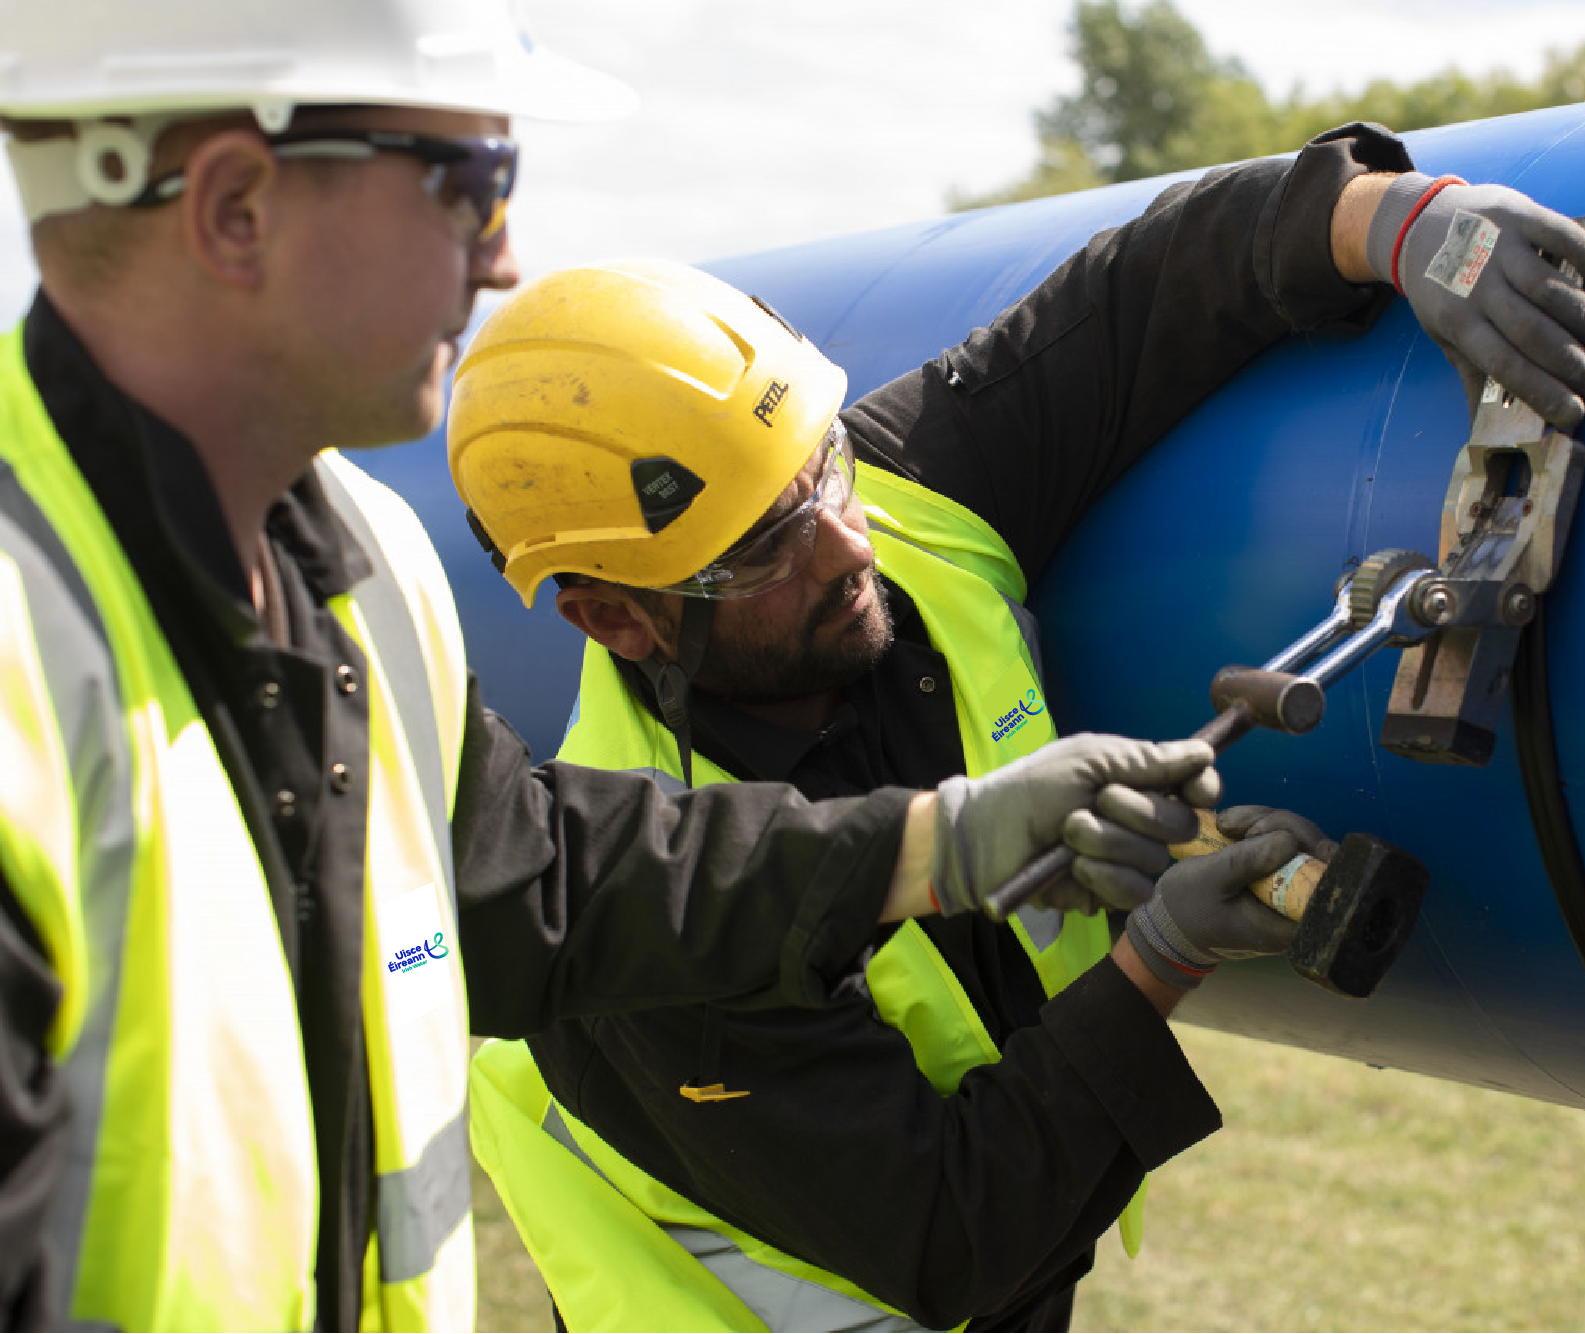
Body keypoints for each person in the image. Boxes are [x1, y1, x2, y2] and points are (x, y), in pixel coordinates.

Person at [0, 2, 1227, 1328]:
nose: (501, 255)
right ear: (238, 208)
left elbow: (542, 877)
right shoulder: (26, 657)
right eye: (469, 183)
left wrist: (942, 841)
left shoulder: (359, 560)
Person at [450, 118, 1585, 1329]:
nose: (848, 541)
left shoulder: (901, 491)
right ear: (617, 621)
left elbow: (1143, 292)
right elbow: (953, 1231)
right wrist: (1158, 952)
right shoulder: (646, 908)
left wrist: (1399, 222)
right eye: (763, 546)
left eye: (819, 469)